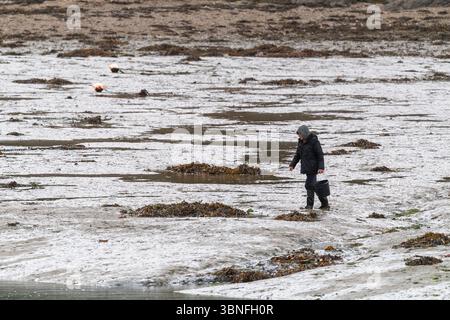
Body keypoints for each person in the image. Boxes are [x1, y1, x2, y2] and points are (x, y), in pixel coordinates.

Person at [289, 125, 329, 210]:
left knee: (309, 185)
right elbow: (297, 155)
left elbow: (320, 155)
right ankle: (325, 203)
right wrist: (292, 164)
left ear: (304, 133)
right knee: (314, 186)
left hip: (314, 167)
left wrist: (321, 167)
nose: (299, 136)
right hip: (306, 167)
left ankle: (309, 206)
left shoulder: (314, 141)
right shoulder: (300, 142)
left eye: (300, 134)